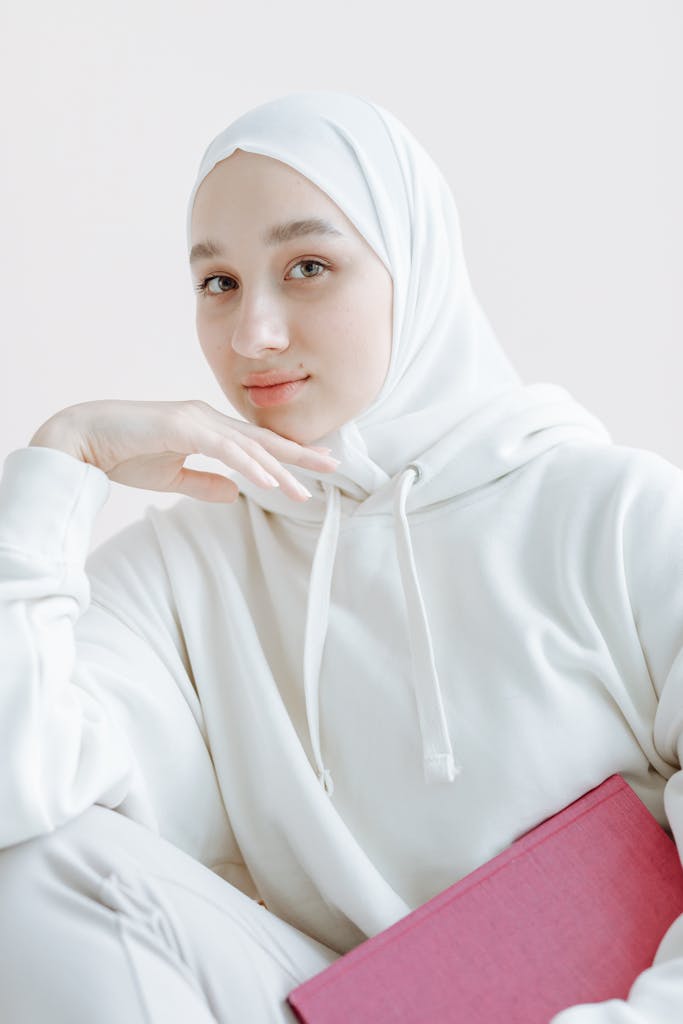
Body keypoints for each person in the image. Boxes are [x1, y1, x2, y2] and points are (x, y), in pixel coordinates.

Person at [0, 89, 682, 1023]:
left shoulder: (615, 515)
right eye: (219, 283)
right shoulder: (182, 568)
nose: (253, 335)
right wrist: (59, 459)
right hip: (326, 1002)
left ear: (414, 266)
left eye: (308, 266)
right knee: (27, 860)